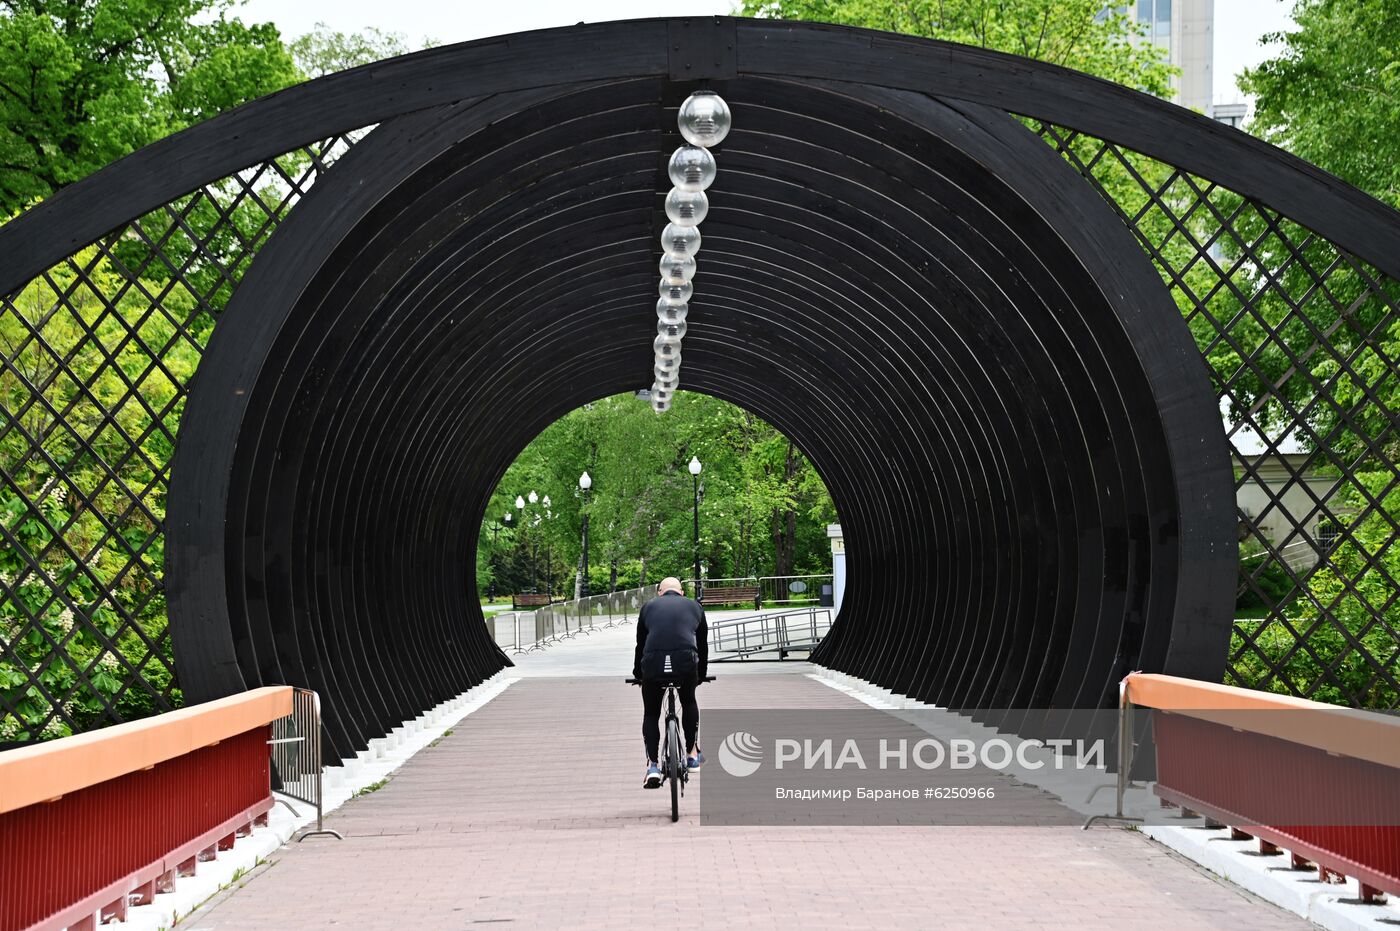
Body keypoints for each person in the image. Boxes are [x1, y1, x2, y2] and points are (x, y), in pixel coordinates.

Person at [633, 576, 708, 788]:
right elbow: (702, 645)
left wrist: (639, 674)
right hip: (686, 662)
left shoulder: (648, 607)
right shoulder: (695, 606)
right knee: (689, 701)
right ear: (682, 592)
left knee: (651, 712)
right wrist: (700, 674)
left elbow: (641, 644)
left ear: (659, 592)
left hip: (653, 663)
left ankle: (653, 766)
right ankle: (692, 754)